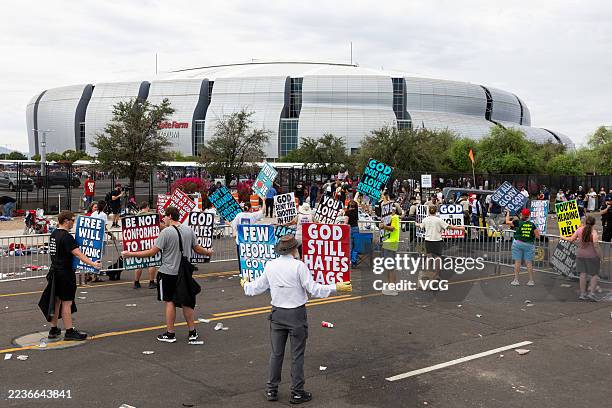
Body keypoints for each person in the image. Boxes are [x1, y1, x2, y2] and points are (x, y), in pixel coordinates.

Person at [241, 234, 352, 403]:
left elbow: (256, 288)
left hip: (277, 314)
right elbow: (314, 289)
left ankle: (271, 390)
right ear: (294, 249)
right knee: (297, 355)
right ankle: (297, 392)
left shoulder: (270, 265)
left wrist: (246, 284)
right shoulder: (299, 266)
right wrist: (335, 287)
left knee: (276, 354)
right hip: (296, 315)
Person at [122, 206, 214, 343]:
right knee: (186, 302)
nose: (163, 218)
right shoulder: (189, 230)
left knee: (169, 301)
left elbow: (152, 252)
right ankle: (192, 332)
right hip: (184, 272)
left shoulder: (166, 233)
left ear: (170, 216)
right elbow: (197, 248)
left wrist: (131, 254)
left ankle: (170, 334)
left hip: (168, 273)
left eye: (164, 216)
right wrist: (208, 252)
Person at [40, 211, 102, 341]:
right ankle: (69, 331)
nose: (73, 222)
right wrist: (93, 264)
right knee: (67, 303)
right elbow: (78, 254)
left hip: (55, 271)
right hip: (65, 273)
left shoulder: (54, 234)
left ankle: (53, 329)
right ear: (66, 221)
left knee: (56, 301)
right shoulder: (66, 237)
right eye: (72, 220)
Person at [416, 205, 465, 281]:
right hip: (437, 240)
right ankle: (436, 274)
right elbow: (448, 227)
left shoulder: (425, 219)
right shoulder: (438, 220)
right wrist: (460, 228)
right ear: (436, 211)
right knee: (437, 258)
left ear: (429, 211)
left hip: (428, 240)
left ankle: (427, 273)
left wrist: (416, 224)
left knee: (428, 257)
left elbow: (420, 226)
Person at [560, 216, 601, 301]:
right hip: (591, 255)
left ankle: (582, 294)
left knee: (583, 274)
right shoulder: (593, 232)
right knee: (594, 274)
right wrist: (600, 255)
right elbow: (596, 246)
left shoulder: (579, 230)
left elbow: (571, 239)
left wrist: (562, 237)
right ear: (594, 224)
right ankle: (591, 293)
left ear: (585, 222)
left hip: (580, 255)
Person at [505, 208, 540, 286]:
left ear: (522, 215)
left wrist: (508, 213)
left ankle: (516, 280)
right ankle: (531, 280)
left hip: (517, 243)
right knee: (528, 263)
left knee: (517, 262)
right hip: (529, 245)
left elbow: (507, 222)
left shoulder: (517, 222)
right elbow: (538, 236)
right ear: (529, 216)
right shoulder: (532, 225)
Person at [133, 201, 158, 289]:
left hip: (139, 241)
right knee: (152, 262)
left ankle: (136, 282)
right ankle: (151, 282)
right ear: (147, 207)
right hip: (150, 240)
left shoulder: (135, 217)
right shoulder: (151, 215)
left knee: (139, 262)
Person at [379, 206, 401, 295]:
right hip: (388, 243)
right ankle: (391, 286)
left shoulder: (394, 217)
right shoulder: (390, 218)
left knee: (390, 267)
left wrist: (384, 226)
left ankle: (392, 288)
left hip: (390, 243)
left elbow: (392, 228)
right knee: (389, 267)